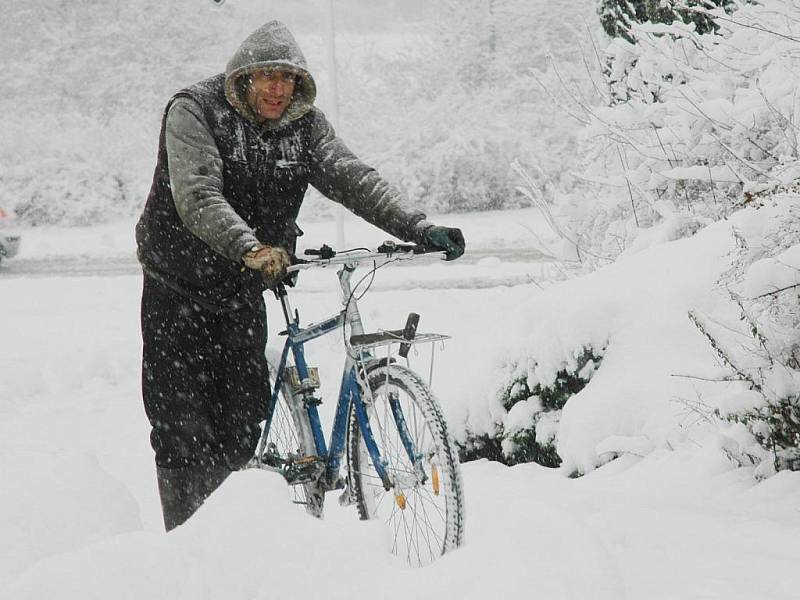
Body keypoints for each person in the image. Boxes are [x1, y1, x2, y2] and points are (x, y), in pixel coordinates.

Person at [135, 20, 465, 531]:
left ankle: (241, 538)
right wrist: (250, 247)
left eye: (286, 78)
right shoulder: (196, 111)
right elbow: (197, 196)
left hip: (242, 291)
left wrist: (418, 226)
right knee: (182, 427)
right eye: (265, 76)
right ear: (243, 78)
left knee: (243, 422)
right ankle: (187, 549)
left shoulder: (303, 127)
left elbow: (354, 178)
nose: (276, 89)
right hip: (179, 287)